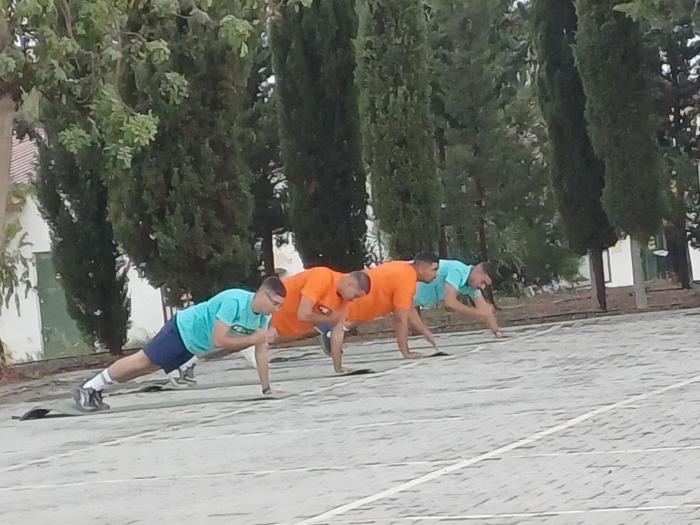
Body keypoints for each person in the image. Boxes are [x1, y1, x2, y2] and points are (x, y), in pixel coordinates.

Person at [73, 277, 287, 412]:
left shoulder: (263, 317)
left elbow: (261, 351)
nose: (277, 309)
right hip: (182, 330)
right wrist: (254, 339)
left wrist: (266, 389)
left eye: (280, 306)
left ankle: (98, 387)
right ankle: (89, 387)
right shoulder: (235, 302)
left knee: (147, 368)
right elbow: (219, 340)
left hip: (192, 345)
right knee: (141, 361)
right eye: (275, 303)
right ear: (262, 294)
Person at [318, 252, 440, 369]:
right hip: (347, 308)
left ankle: (327, 333)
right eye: (434, 270)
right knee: (309, 327)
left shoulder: (403, 268)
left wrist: (425, 332)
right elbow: (400, 319)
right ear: (421, 269)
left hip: (347, 309)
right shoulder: (406, 280)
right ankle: (327, 332)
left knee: (314, 326)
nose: (436, 275)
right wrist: (406, 352)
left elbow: (409, 308)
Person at [241, 267, 371, 374]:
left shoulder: (343, 302)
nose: (353, 300)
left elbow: (337, 334)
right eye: (355, 295)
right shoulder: (323, 278)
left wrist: (339, 368)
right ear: (350, 284)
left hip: (275, 330)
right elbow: (303, 314)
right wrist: (328, 319)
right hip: (261, 317)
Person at [410, 259, 504, 343]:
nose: (482, 287)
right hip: (405, 285)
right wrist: (477, 312)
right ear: (477, 271)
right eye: (483, 282)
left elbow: (485, 311)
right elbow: (450, 303)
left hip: (411, 299)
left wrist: (497, 332)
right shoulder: (457, 270)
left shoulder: (471, 286)